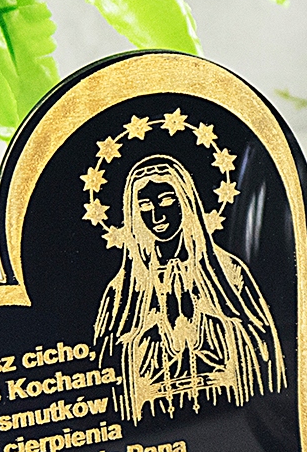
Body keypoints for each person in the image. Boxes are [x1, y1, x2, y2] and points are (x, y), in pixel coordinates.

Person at [94, 154, 285, 423]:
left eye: (166, 201)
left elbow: (264, 347)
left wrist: (213, 323)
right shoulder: (122, 292)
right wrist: (148, 336)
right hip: (153, 424)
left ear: (186, 202)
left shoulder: (229, 273)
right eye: (145, 206)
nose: (157, 215)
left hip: (226, 411)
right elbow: (102, 374)